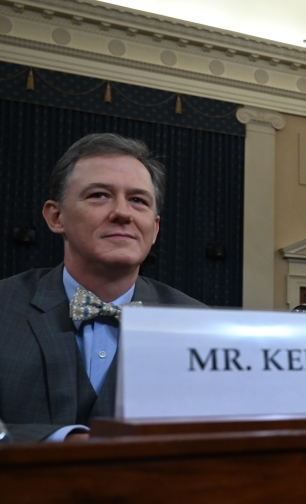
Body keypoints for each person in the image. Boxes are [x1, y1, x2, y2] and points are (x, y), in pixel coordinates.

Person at [0, 133, 203, 443]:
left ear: (154, 228)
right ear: (56, 217)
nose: (122, 213)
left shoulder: (198, 324)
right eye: (99, 195)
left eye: (138, 200)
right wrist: (61, 441)